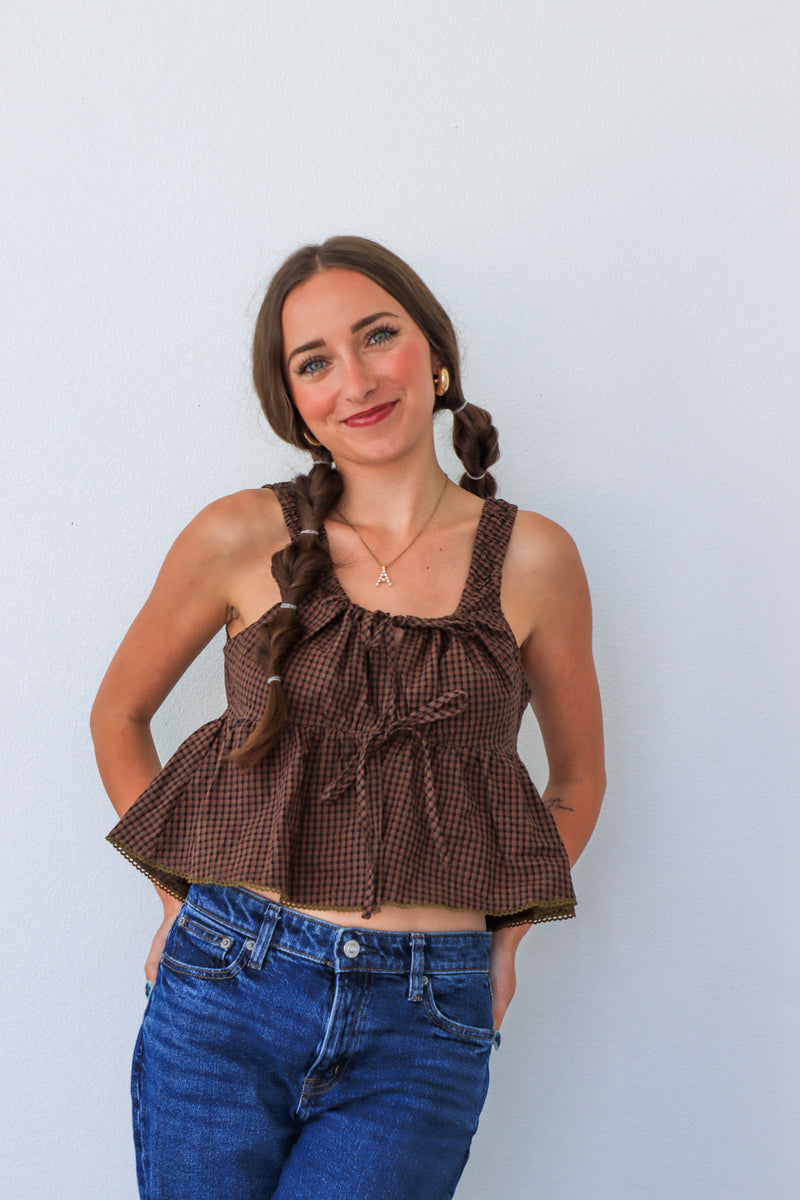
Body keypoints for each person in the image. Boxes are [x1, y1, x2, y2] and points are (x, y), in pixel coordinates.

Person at [91, 235, 605, 1200]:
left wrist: (503, 938)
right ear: (294, 403)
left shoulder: (536, 558)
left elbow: (576, 779)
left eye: (380, 336)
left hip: (428, 1016)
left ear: (437, 355)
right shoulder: (238, 534)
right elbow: (119, 713)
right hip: (225, 989)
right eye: (315, 361)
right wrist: (176, 897)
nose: (357, 379)